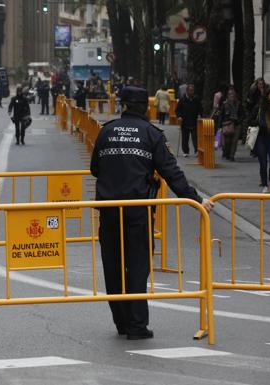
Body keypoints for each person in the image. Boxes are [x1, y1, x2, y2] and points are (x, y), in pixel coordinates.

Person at [90, 86, 213, 340]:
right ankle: (136, 326)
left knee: (113, 267)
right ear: (145, 107)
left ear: (122, 105)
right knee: (137, 266)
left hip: (108, 211)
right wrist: (196, 200)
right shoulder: (151, 134)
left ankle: (121, 323)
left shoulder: (107, 131)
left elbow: (95, 168)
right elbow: (171, 172)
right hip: (138, 211)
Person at [176, 84, 202, 157]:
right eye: (190, 90)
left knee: (195, 138)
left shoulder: (196, 99)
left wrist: (199, 114)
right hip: (185, 121)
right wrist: (179, 116)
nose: (192, 92)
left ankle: (197, 150)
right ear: (187, 91)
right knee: (185, 138)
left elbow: (200, 108)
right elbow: (177, 110)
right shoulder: (182, 99)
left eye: (193, 90)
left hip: (194, 121)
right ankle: (185, 151)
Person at [218, 87, 245, 161]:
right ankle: (226, 152)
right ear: (227, 95)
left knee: (234, 141)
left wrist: (239, 121)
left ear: (235, 95)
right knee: (227, 141)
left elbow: (243, 114)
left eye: (233, 94)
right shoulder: (224, 104)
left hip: (236, 125)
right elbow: (221, 115)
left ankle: (231, 156)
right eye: (230, 94)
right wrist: (220, 126)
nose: (232, 95)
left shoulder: (239, 104)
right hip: (227, 125)